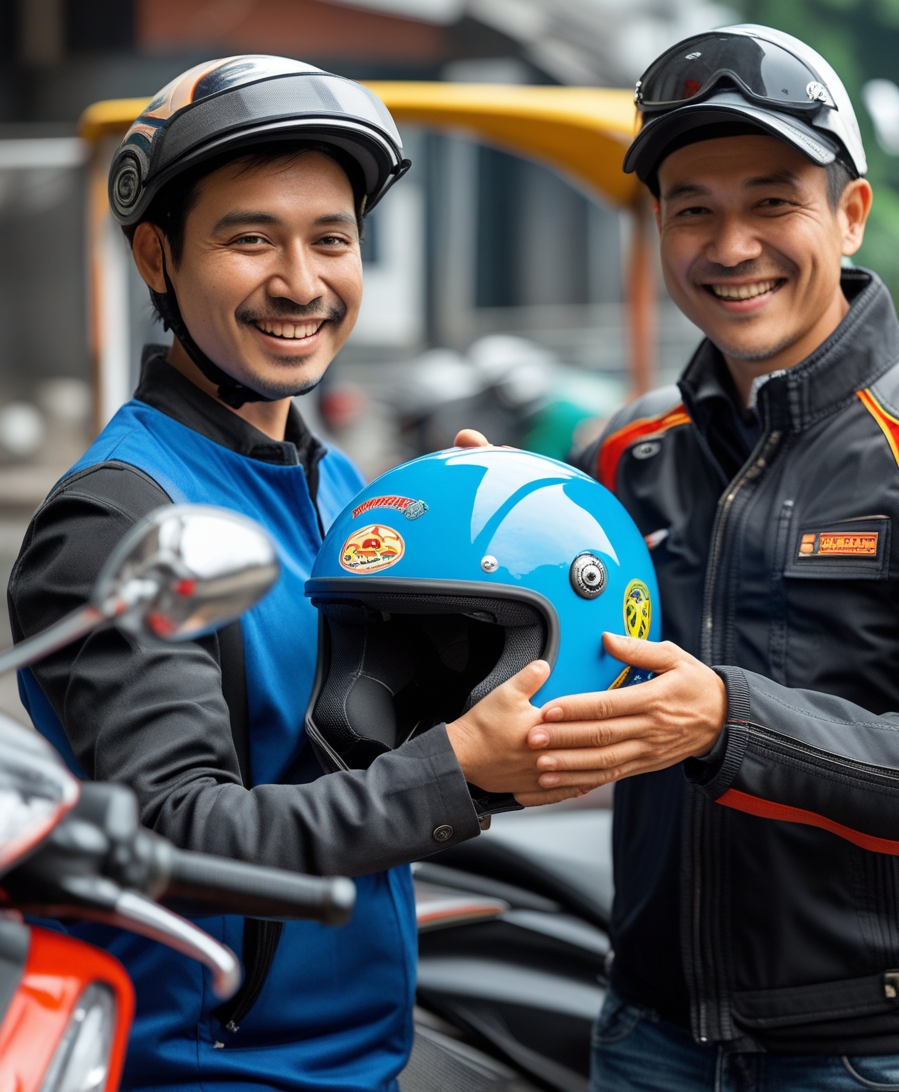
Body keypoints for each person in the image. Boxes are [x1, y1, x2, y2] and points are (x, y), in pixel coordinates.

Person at [521, 26, 899, 1090]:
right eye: (693, 207)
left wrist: (728, 722)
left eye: (772, 201)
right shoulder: (619, 451)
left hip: (870, 1051)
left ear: (849, 212)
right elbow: (551, 686)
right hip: (646, 1032)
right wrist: (479, 529)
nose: (730, 245)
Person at [7, 56, 580, 1091]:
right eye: (249, 238)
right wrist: (453, 771)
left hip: (355, 1050)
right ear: (157, 256)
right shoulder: (121, 516)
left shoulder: (345, 488)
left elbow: (346, 750)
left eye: (332, 239)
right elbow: (178, 830)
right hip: (209, 1064)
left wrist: (470, 601)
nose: (302, 282)